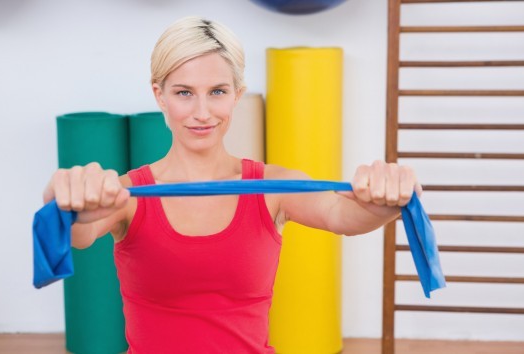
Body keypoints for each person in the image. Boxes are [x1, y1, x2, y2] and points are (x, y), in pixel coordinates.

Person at [43, 16, 421, 354]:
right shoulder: (126, 195)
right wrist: (63, 197)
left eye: (218, 92)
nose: (202, 112)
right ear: (159, 95)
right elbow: (78, 231)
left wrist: (390, 197)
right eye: (184, 92)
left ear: (237, 95)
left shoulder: (273, 186)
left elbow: (343, 213)